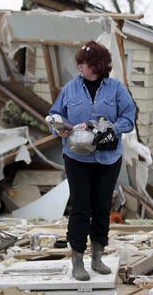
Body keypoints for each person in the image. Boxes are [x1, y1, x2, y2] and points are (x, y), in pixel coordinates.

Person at [48, 40, 136, 281]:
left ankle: (97, 258)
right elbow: (54, 114)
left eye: (84, 63)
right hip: (76, 157)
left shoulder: (116, 89)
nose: (80, 67)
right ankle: (77, 260)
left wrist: (113, 129)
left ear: (97, 66)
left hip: (108, 158)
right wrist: (59, 129)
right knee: (80, 207)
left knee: (101, 207)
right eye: (79, 63)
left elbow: (129, 117)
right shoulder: (69, 89)